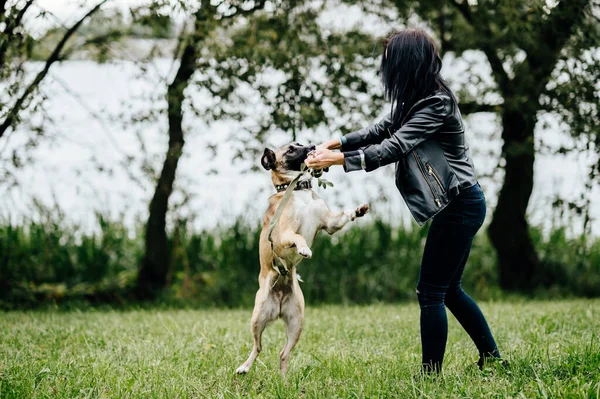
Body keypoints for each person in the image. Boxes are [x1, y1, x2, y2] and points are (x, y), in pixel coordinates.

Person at [305, 28, 502, 374]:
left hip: (462, 205)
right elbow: (379, 131)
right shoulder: (418, 98)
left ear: (405, 64)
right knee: (449, 290)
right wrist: (333, 143)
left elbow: (392, 147)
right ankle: (492, 358)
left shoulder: (437, 104)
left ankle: (431, 376)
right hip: (459, 203)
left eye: (389, 62)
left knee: (431, 293)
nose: (386, 70)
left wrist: (335, 162)